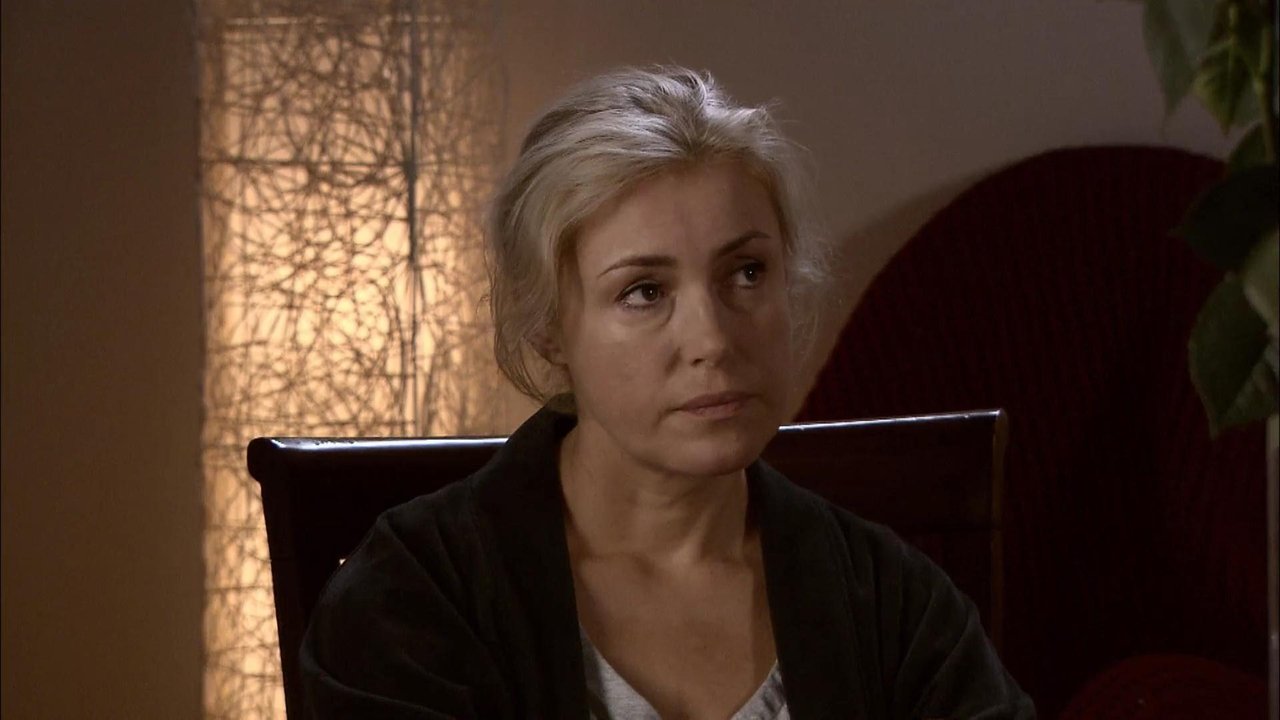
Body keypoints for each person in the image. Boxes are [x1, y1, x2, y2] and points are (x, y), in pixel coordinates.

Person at [300, 66, 1035, 720]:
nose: (713, 339)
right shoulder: (415, 599)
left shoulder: (892, 602)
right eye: (645, 291)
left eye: (746, 273)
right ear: (550, 329)